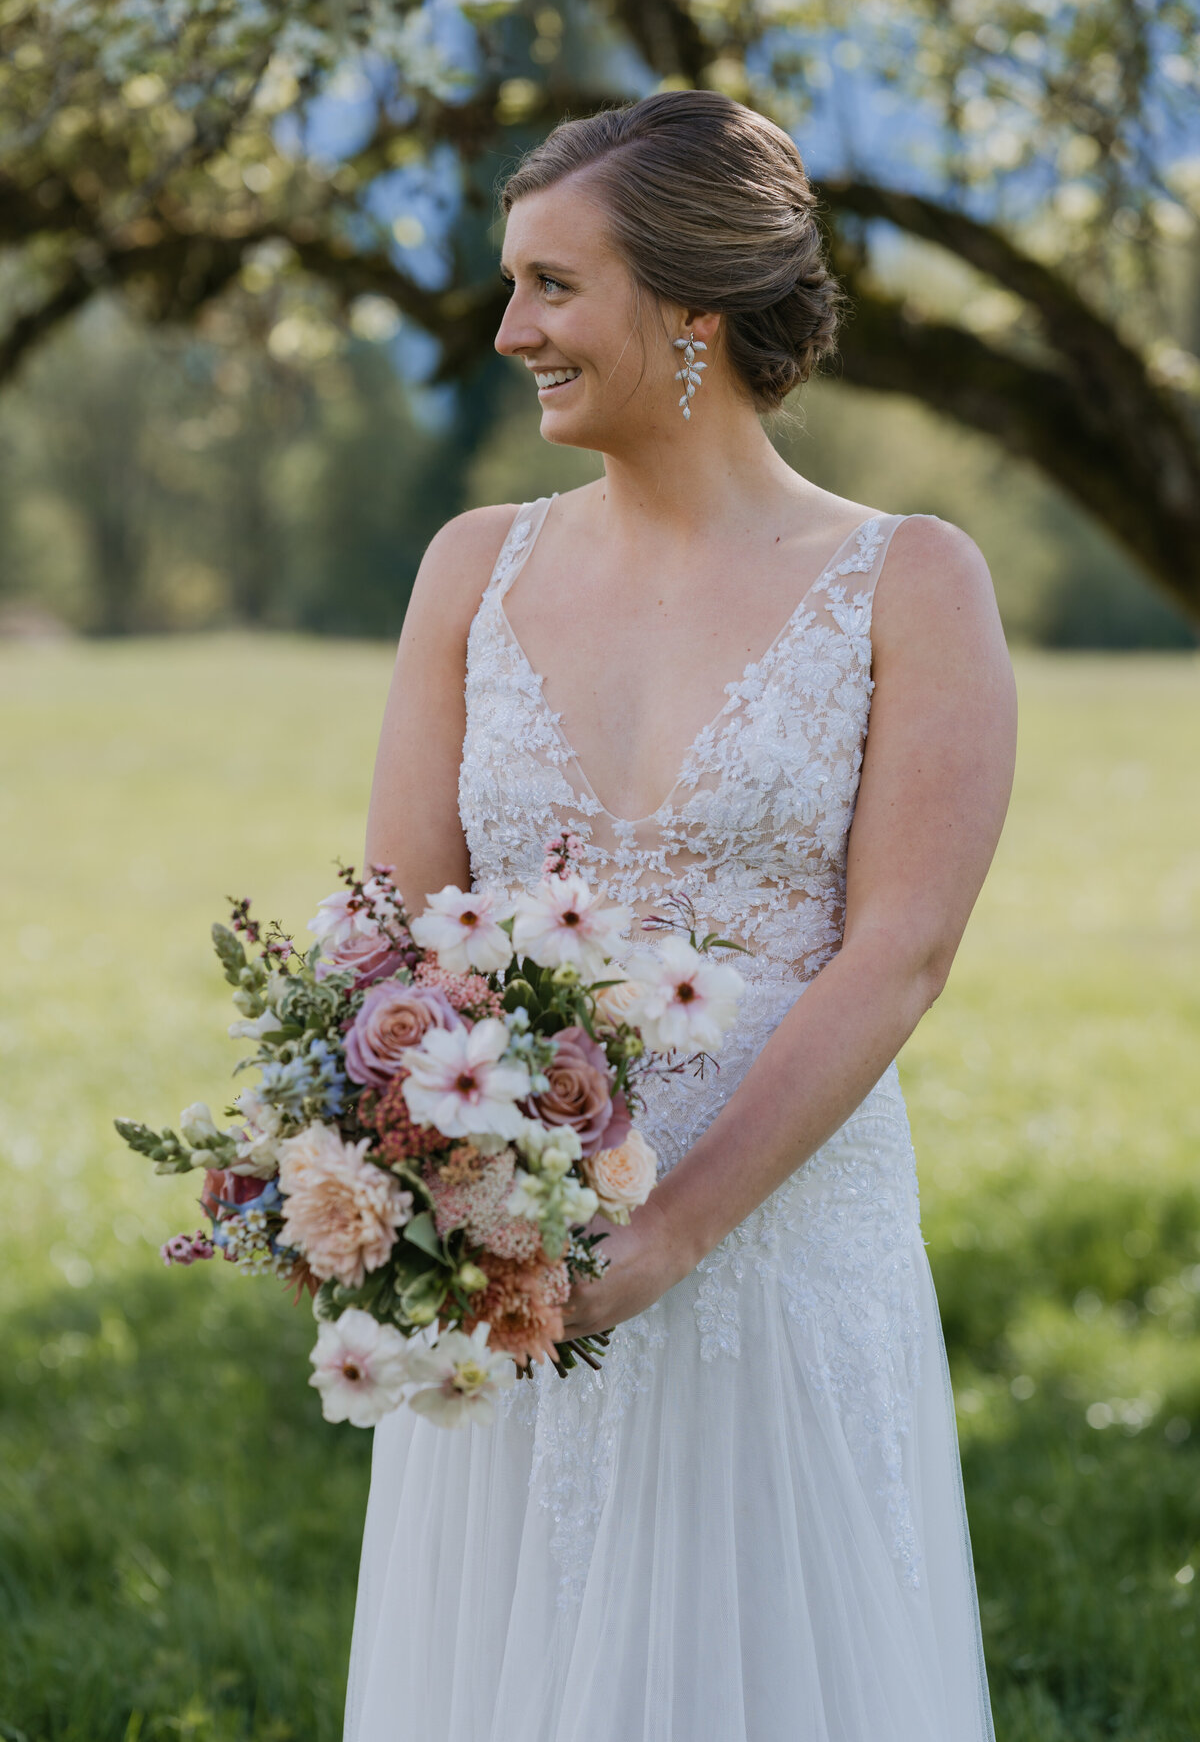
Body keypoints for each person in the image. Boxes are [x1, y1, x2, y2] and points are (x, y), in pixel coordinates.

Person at [343, 89, 1016, 1741]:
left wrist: (675, 1230)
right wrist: (412, 1184)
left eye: (555, 287)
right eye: (515, 285)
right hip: (518, 1255)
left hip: (779, 1246)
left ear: (694, 308)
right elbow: (393, 929)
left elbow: (901, 954)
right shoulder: (471, 568)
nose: (512, 331)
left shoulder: (909, 582)